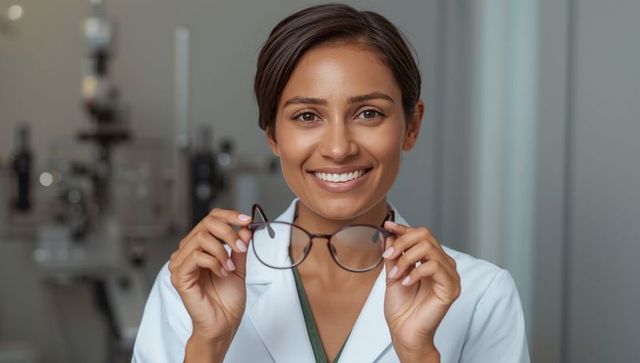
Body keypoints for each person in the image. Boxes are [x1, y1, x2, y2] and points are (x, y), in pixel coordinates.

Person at [132, 3, 530, 363]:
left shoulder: (482, 296)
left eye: (369, 113)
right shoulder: (192, 283)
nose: (339, 148)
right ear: (272, 134)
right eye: (307, 116)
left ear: (412, 126)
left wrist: (419, 355)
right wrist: (207, 344)